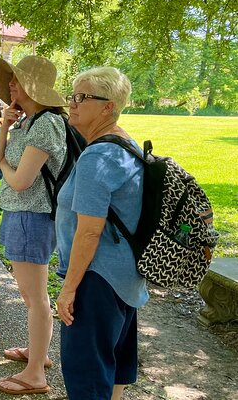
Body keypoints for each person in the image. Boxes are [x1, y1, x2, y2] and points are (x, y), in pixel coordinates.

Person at [55, 67, 147, 399]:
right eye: (73, 95)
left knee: (87, 377)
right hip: (124, 277)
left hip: (96, 280)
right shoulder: (125, 143)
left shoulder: (98, 156)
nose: (72, 103)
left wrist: (68, 290)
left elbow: (89, 233)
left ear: (107, 106)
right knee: (113, 369)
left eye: (83, 97)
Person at [0, 56, 68, 395]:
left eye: (16, 81)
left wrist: (6, 168)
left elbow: (20, 181)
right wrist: (5, 126)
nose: (10, 86)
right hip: (18, 215)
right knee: (28, 294)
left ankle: (36, 372)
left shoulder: (47, 123)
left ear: (32, 87)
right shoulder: (27, 122)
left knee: (36, 297)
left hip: (32, 217)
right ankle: (37, 353)